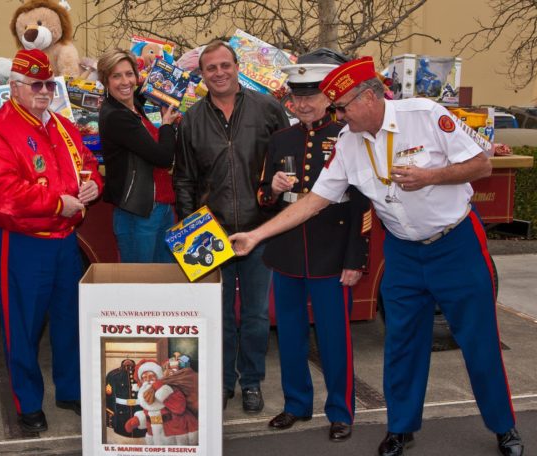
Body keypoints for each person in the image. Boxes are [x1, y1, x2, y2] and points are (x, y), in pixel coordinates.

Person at [230, 56, 523, 456]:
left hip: (456, 244)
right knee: (402, 343)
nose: (338, 114)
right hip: (403, 251)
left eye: (343, 106)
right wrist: (256, 234)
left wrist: (431, 176)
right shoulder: (350, 142)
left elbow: (481, 163)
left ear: (368, 97)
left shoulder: (424, 115)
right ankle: (401, 428)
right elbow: (315, 200)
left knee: (479, 341)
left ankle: (504, 427)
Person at [0, 48, 102, 433]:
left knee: (68, 320)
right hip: (23, 242)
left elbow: (86, 163)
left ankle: (71, 390)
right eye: (35, 85)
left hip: (65, 240)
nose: (44, 91)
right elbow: (1, 198)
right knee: (23, 327)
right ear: (14, 87)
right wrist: (56, 202)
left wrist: (93, 183)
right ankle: (27, 403)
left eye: (48, 83)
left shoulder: (62, 124)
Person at [257, 48, 371, 442]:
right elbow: (262, 199)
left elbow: (362, 203)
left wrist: (356, 257)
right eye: (296, 96)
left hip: (331, 254)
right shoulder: (280, 139)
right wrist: (270, 188)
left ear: (328, 97)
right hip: (287, 252)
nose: (303, 103)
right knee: (289, 334)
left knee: (334, 336)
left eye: (311, 95)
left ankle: (340, 411)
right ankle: (295, 404)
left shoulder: (349, 136)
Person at [174, 40, 289, 413]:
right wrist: (192, 235)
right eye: (211, 68)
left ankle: (252, 381)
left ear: (237, 67)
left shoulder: (269, 109)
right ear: (202, 74)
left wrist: (278, 221)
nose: (219, 73)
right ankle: (222, 383)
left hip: (259, 230)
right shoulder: (191, 120)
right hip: (213, 233)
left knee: (255, 316)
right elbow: (185, 182)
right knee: (217, 316)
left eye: (225, 65)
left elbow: (284, 168)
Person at [97, 48, 180, 263]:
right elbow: (162, 157)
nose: (125, 81)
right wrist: (167, 126)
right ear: (105, 81)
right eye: (116, 76)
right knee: (141, 287)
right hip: (138, 213)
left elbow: (144, 92)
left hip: (159, 206)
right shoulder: (116, 116)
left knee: (165, 284)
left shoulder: (132, 107)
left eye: (129, 74)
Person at [123, 359, 198, 445]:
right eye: (144, 378)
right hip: (155, 434)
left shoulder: (168, 389)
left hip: (176, 431)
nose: (148, 380)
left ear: (158, 376)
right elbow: (150, 413)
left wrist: (160, 388)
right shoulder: (145, 393)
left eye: (151, 376)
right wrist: (138, 420)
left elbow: (179, 408)